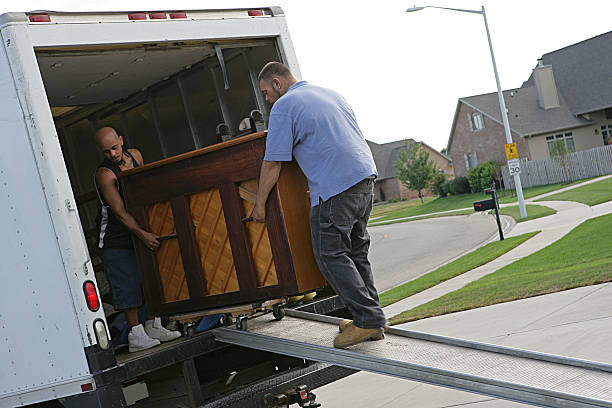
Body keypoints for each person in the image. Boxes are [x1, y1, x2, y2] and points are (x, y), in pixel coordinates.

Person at [253, 62, 387, 348]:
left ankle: (368, 319)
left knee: (329, 254)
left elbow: (273, 162)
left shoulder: (285, 105)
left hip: (335, 188)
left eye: (266, 92)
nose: (266, 99)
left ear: (277, 83)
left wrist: (259, 204)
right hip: (365, 178)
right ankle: (371, 319)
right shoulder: (330, 93)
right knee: (356, 251)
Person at [94, 127, 181, 353]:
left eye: (114, 148)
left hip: (140, 228)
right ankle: (136, 334)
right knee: (128, 283)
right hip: (115, 238)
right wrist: (143, 234)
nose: (113, 155)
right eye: (106, 152)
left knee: (151, 276)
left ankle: (154, 325)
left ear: (121, 141)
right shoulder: (105, 174)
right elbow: (120, 212)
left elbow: (145, 188)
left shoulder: (136, 156)